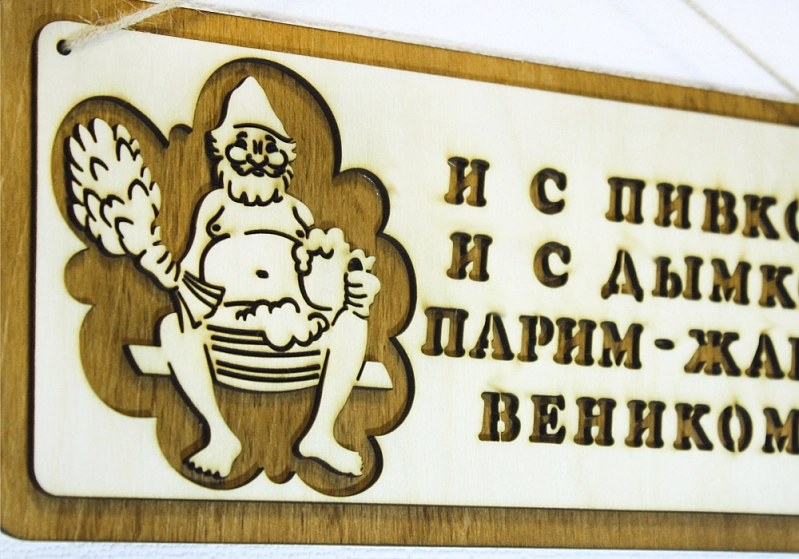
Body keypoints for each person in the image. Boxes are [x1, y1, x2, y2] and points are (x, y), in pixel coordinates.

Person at [157, 77, 380, 478]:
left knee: (353, 321)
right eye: (244, 145)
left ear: (285, 156)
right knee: (174, 327)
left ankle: (321, 431)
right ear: (223, 151)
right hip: (227, 334)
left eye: (269, 148)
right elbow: (189, 272)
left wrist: (350, 289)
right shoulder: (215, 207)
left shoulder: (297, 213)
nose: (257, 158)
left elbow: (316, 285)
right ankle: (218, 434)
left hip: (295, 335)